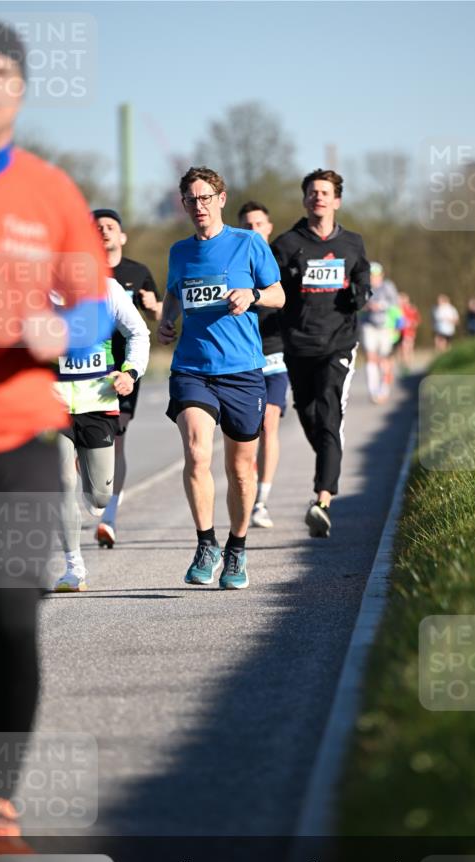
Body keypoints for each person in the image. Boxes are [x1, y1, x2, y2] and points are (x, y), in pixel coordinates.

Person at [0, 18, 111, 860]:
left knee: (13, 619)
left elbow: (93, 305)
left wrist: (61, 330)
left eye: (2, 73)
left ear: (21, 89)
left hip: (17, 444)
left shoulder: (49, 192)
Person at [157, 167, 285, 589]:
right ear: (184, 205)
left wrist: (253, 295)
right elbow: (174, 292)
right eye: (191, 200)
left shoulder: (249, 243)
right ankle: (206, 543)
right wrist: (167, 320)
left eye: (206, 198)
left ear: (221, 199)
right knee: (197, 453)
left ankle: (237, 548)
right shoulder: (179, 251)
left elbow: (279, 295)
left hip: (243, 371)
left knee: (241, 469)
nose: (199, 206)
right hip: (192, 368)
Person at [272, 169, 371, 538]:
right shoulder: (285, 244)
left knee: (329, 413)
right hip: (298, 344)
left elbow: (363, 281)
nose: (318, 197)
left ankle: (322, 500)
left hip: (337, 343)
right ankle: (329, 461)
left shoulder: (353, 243)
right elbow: (269, 291)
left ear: (337, 200)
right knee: (309, 416)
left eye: (325, 192)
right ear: (304, 200)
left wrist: (358, 294)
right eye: (312, 192)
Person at [53, 276, 150, 591]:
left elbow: (138, 332)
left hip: (98, 400)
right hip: (51, 404)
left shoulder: (107, 288)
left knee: (98, 498)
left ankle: (90, 484)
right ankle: (74, 568)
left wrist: (130, 372)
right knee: (61, 483)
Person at [91, 208, 162, 548]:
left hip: (123, 370)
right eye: (97, 227)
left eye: (110, 226)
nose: (103, 231)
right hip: (84, 369)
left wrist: (154, 306)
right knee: (79, 447)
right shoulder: (79, 273)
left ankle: (109, 516)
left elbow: (158, 318)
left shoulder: (138, 272)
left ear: (122, 236)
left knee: (115, 439)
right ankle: (90, 496)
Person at [237, 201, 287, 528]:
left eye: (259, 224)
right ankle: (248, 490)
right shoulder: (234, 263)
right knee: (247, 432)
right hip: (243, 358)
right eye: (247, 225)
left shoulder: (281, 262)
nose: (254, 230)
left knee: (269, 422)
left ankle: (262, 502)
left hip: (275, 356)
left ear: (268, 228)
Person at [358, 261, 399, 404]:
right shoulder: (364, 287)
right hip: (368, 325)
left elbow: (395, 304)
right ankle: (373, 390)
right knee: (370, 357)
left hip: (385, 326)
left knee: (384, 359)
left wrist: (381, 305)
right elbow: (357, 304)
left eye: (376, 275)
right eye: (371, 275)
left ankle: (384, 389)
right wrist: (367, 306)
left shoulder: (388, 286)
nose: (373, 278)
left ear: (381, 275)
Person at [397, 292, 420, 370]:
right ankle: (403, 365)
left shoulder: (412, 309)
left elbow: (417, 321)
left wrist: (411, 324)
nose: (401, 301)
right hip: (399, 333)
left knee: (408, 349)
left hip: (409, 332)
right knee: (401, 350)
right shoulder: (397, 309)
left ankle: (408, 366)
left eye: (402, 299)